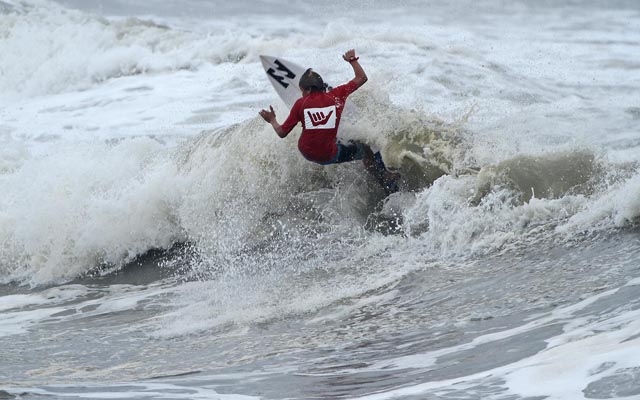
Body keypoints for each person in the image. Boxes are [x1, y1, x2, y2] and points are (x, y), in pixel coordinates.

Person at [259, 49, 398, 194]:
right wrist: (352, 60)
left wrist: (272, 120)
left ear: (306, 90)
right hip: (329, 154)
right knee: (366, 149)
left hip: (305, 151)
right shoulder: (337, 95)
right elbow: (362, 78)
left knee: (327, 135)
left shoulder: (300, 104)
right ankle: (383, 178)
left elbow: (281, 132)